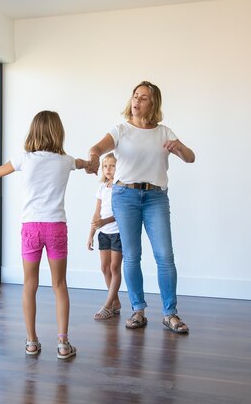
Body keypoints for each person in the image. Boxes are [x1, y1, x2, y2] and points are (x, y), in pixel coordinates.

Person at [0, 110, 88, 359]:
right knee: (59, 285)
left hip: (31, 228)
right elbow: (84, 164)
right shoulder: (66, 160)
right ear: (58, 132)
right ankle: (63, 344)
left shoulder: (24, 159)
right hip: (56, 227)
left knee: (29, 285)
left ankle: (32, 342)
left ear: (33, 131)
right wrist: (93, 164)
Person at [86, 80, 195, 334]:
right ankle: (138, 310)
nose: (137, 101)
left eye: (144, 97)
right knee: (132, 256)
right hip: (125, 196)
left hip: (156, 197)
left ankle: (170, 314)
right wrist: (93, 157)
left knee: (165, 256)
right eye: (135, 95)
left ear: (153, 103)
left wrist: (178, 148)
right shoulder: (121, 129)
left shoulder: (164, 132)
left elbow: (191, 157)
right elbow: (97, 148)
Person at [86, 153, 123, 320]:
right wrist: (91, 234)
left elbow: (120, 213)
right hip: (103, 233)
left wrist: (104, 221)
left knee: (115, 268)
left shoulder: (121, 186)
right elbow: (96, 213)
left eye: (112, 165)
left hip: (117, 232)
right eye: (105, 166)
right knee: (104, 268)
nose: (108, 169)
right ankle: (115, 302)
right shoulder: (102, 188)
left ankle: (108, 304)